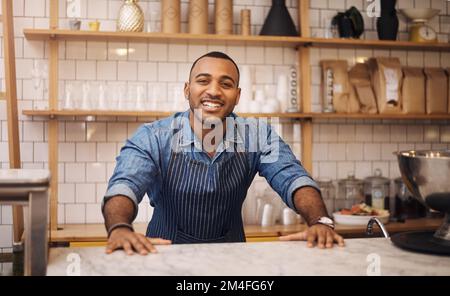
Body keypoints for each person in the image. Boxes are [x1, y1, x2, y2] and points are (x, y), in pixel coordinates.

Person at [102, 51, 345, 255]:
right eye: (203, 81)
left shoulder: (258, 136)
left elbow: (293, 178)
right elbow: (125, 185)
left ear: (237, 96)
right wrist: (120, 228)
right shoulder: (153, 137)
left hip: (232, 261)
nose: (214, 91)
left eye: (226, 84)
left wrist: (320, 221)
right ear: (187, 90)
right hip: (163, 257)